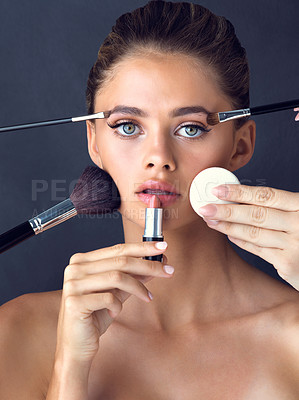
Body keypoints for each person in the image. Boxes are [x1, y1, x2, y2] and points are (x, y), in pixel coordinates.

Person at [0, 1, 299, 399]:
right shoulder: (17, 331)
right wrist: (69, 371)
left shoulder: (291, 333)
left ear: (240, 146)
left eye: (190, 128)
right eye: (127, 126)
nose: (158, 156)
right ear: (94, 142)